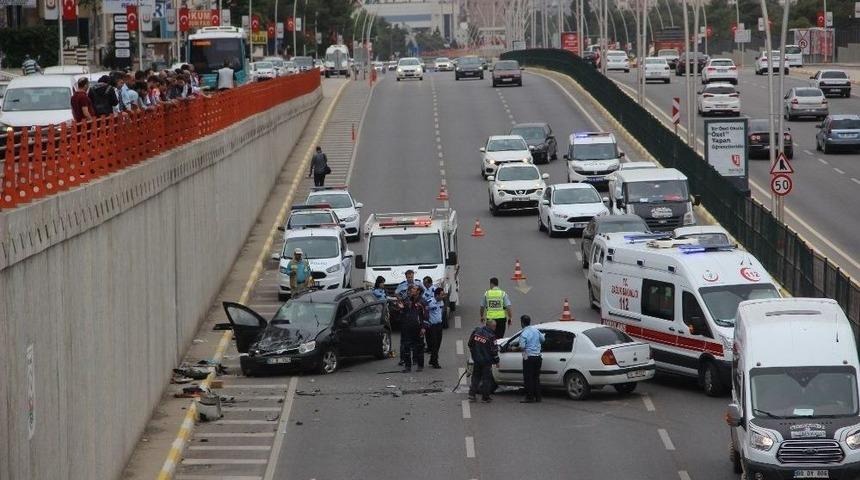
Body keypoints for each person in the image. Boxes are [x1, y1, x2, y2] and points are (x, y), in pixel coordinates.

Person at [468, 318, 500, 403]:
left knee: (475, 377)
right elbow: (494, 351)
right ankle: (485, 397)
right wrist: (497, 361)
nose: (495, 328)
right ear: (492, 326)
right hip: (486, 361)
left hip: (477, 360)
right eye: (495, 326)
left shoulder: (476, 332)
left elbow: (470, 344)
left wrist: (473, 354)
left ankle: (471, 395)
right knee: (486, 379)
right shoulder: (491, 336)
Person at [399, 285, 428, 373]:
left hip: (418, 328)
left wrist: (423, 328)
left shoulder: (422, 302)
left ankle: (420, 365)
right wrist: (401, 308)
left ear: (418, 291)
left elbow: (426, 316)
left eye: (414, 289)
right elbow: (403, 312)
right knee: (406, 347)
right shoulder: (407, 300)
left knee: (419, 347)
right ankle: (408, 367)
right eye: (411, 289)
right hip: (408, 328)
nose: (411, 290)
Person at [518, 315, 545, 403]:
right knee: (536, 377)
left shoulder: (524, 333)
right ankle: (538, 397)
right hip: (538, 357)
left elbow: (522, 347)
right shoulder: (536, 330)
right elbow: (543, 339)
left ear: (522, 323)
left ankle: (529, 397)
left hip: (529, 357)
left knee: (528, 378)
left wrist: (520, 351)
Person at [426, 287, 445, 369]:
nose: (443, 296)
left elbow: (440, 311)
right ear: (437, 295)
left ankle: (432, 359)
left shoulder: (441, 302)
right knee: (434, 344)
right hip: (432, 326)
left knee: (438, 344)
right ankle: (435, 362)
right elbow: (425, 312)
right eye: (441, 295)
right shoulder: (430, 302)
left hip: (439, 325)